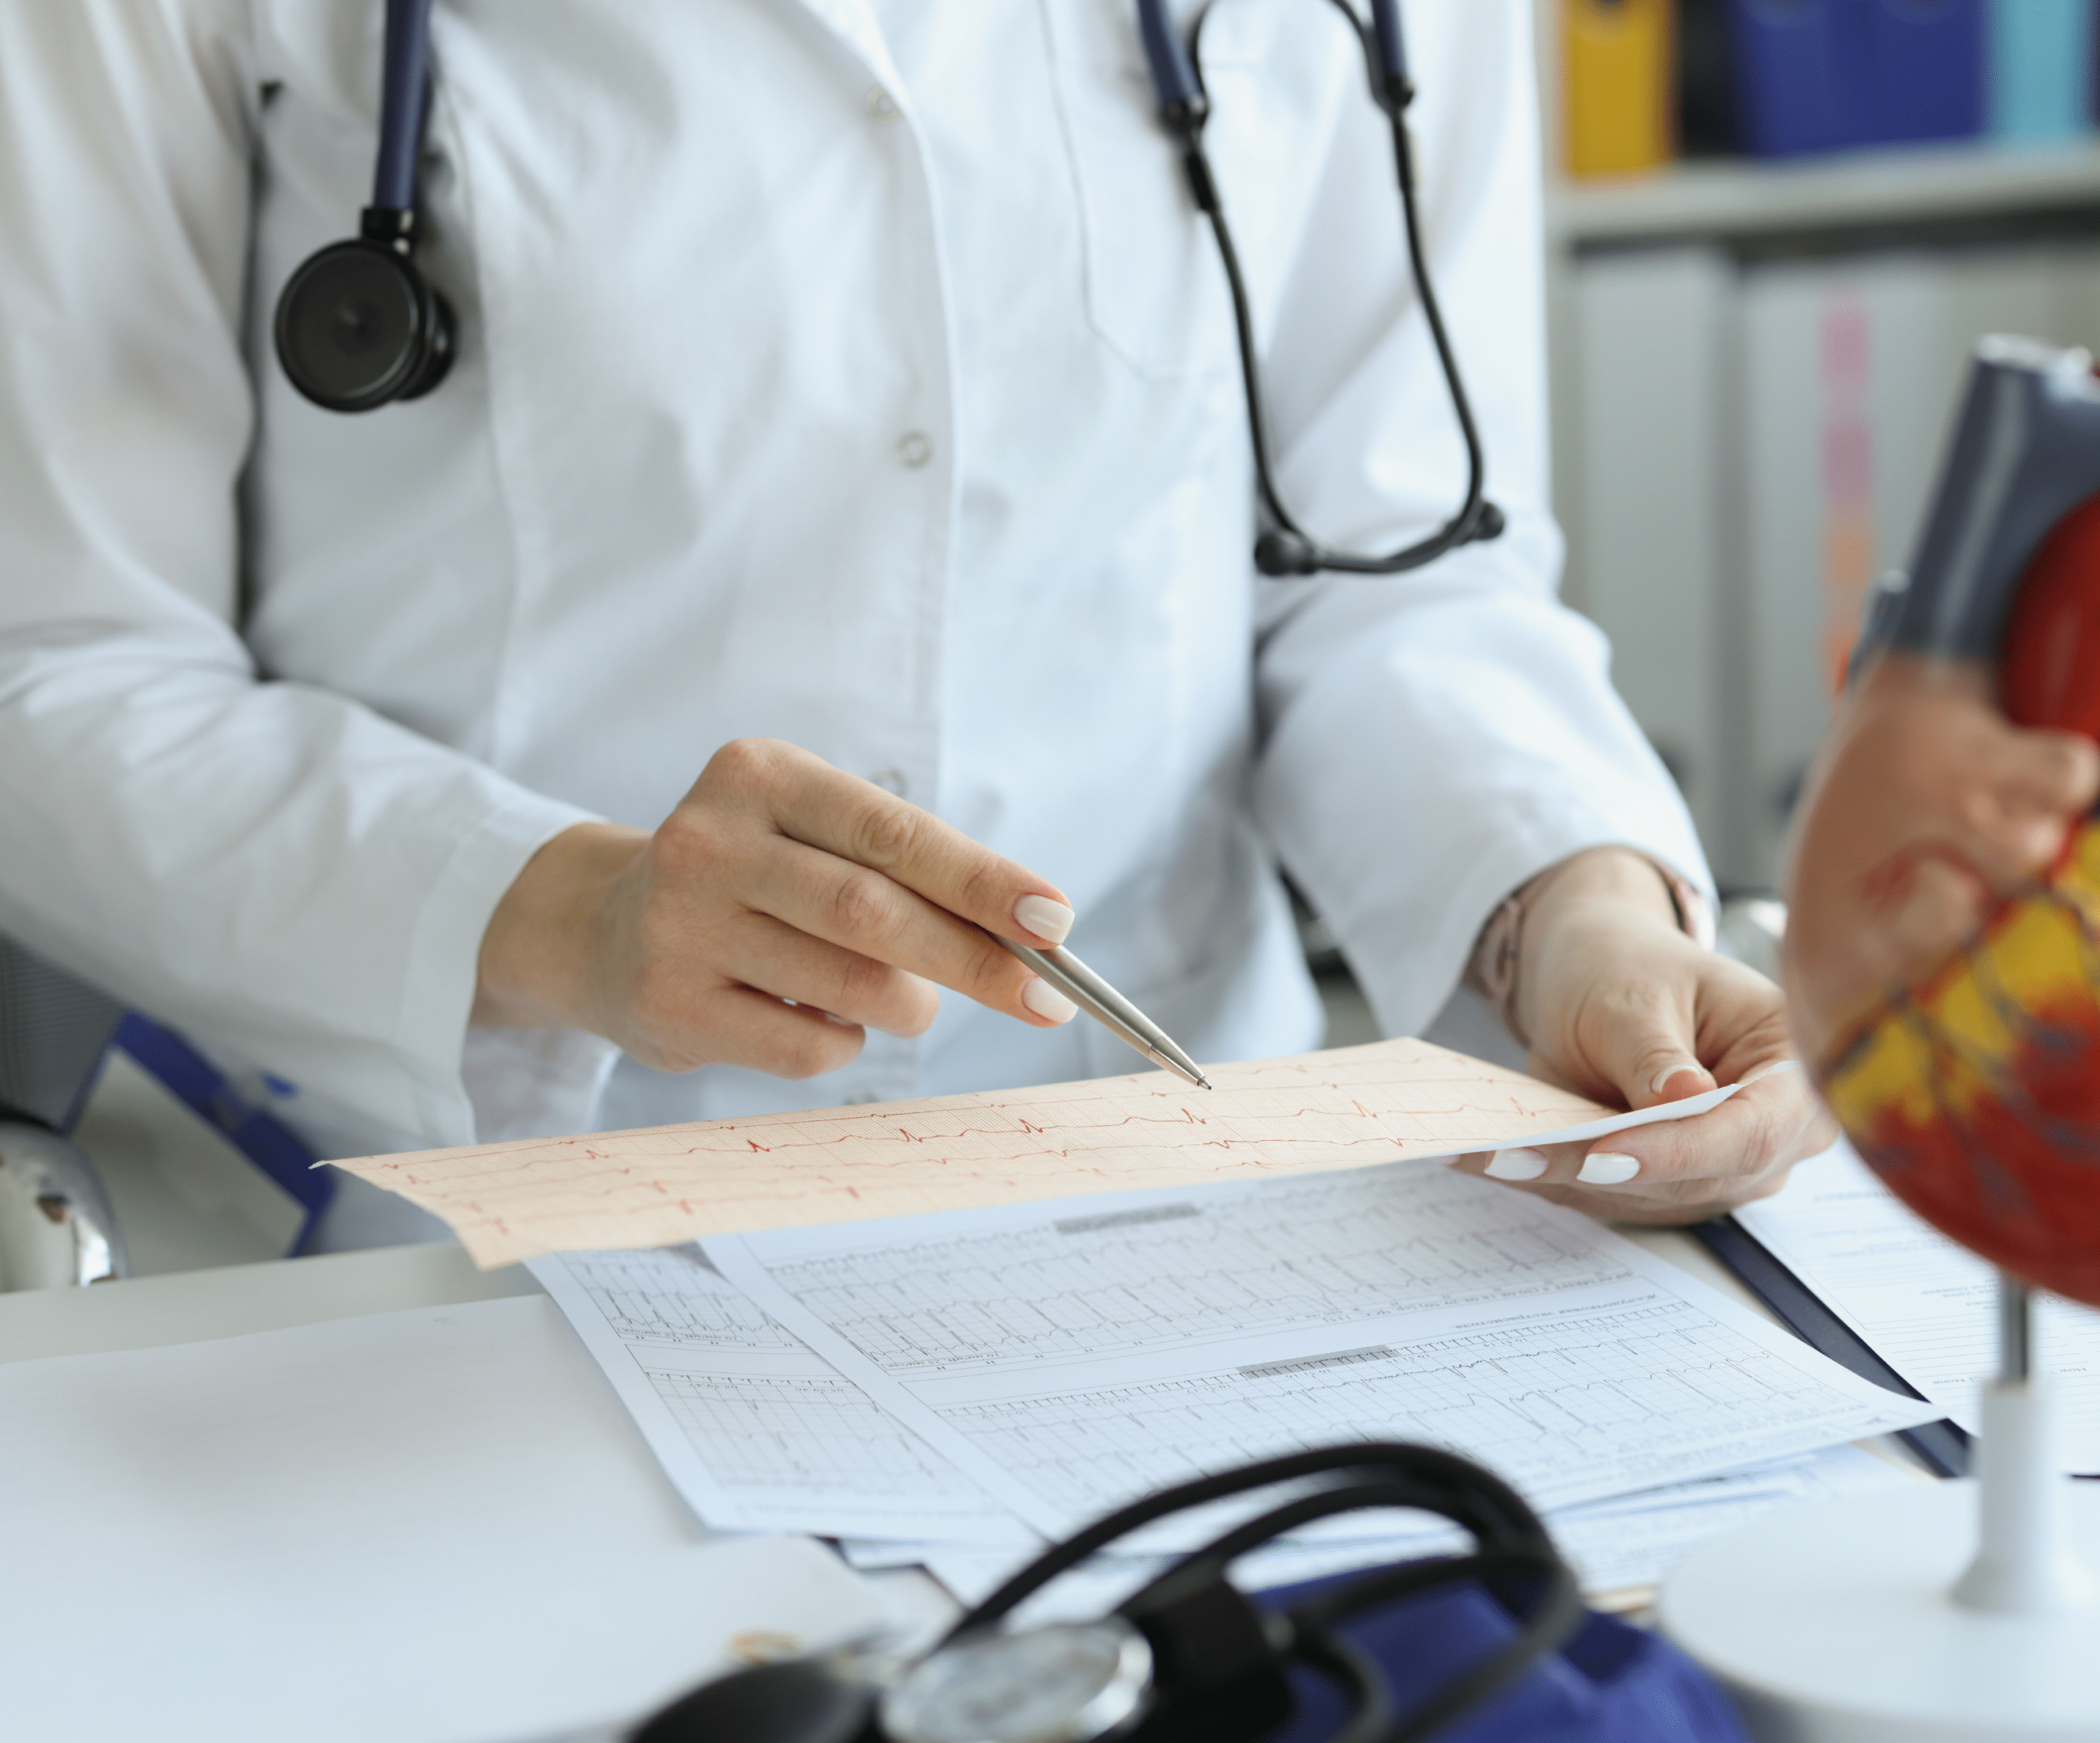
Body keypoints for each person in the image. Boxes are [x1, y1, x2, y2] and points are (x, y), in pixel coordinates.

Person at [0, 0, 1827, 1249]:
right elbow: (53, 656)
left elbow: (1391, 557)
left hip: (1173, 1190)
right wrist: (558, 905)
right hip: (450, 1223)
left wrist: (1568, 904)